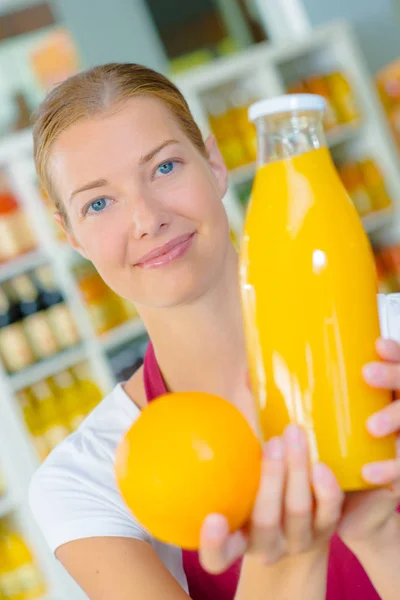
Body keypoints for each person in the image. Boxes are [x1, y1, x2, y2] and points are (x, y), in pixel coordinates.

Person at [28, 63, 400, 600]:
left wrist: (382, 535)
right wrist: (286, 563)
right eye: (99, 203)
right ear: (72, 237)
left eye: (164, 167)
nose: (147, 219)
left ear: (215, 164)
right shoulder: (87, 478)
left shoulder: (389, 343)